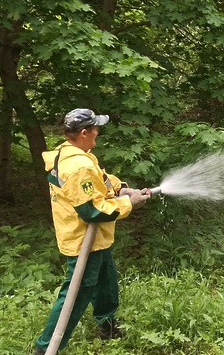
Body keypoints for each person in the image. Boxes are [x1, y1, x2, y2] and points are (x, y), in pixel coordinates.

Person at [33, 108, 151, 355]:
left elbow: (101, 181)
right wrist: (130, 203)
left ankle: (108, 327)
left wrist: (123, 189)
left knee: (106, 283)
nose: (99, 131)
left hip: (96, 238)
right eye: (96, 128)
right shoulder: (78, 166)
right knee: (75, 296)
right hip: (82, 240)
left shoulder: (73, 154)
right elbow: (93, 210)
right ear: (84, 132)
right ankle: (45, 348)